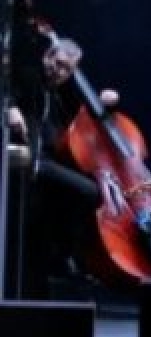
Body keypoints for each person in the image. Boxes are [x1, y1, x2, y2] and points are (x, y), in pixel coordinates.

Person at [4, 27, 119, 300]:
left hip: (50, 162)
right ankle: (65, 254)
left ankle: (63, 252)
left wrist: (107, 103)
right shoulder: (30, 77)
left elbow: (89, 115)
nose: (58, 71)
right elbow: (7, 87)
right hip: (35, 160)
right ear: (47, 56)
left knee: (89, 191)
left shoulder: (61, 95)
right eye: (56, 63)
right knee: (90, 192)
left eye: (66, 69)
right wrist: (10, 107)